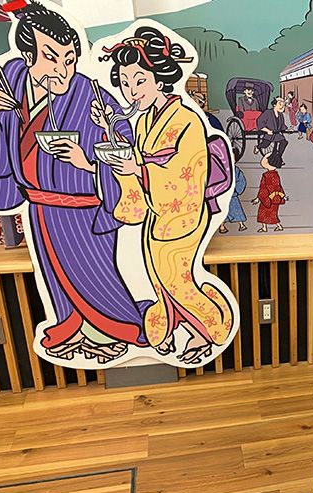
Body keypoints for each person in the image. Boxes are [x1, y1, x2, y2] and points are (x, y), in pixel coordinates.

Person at [0, 1, 147, 363]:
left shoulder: (88, 90)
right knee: (56, 276)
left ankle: (114, 328)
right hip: (39, 205)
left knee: (94, 273)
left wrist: (97, 142)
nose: (63, 68)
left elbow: (122, 134)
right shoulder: (10, 81)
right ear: (27, 55)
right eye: (52, 57)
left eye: (70, 59)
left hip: (84, 205)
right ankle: (73, 327)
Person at [98, 25, 234, 365]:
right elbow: (141, 160)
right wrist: (124, 155)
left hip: (182, 214)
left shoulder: (187, 118)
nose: (132, 91)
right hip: (158, 214)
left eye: (139, 81)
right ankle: (177, 326)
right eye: (126, 83)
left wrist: (138, 170)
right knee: (159, 278)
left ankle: (211, 328)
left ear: (159, 79)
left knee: (178, 279)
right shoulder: (145, 121)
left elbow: (186, 173)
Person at [252, 150, 286, 232]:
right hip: (271, 198)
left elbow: (265, 188)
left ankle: (276, 226)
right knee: (267, 213)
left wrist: (262, 197)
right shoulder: (274, 174)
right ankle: (265, 227)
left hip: (268, 198)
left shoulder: (268, 175)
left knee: (269, 214)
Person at [256, 96, 288, 162]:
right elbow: (259, 121)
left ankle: (278, 158)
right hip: (269, 133)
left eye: (283, 105)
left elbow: (282, 125)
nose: (282, 106)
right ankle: (257, 147)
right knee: (265, 144)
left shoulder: (280, 115)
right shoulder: (268, 112)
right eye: (280, 104)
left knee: (284, 142)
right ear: (274, 105)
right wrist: (267, 130)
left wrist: (286, 130)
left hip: (277, 134)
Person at [220, 156, 247, 233]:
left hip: (233, 195)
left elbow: (241, 181)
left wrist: (236, 191)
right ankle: (222, 226)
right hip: (222, 195)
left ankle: (241, 224)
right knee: (222, 212)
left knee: (237, 210)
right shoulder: (219, 169)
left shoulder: (236, 170)